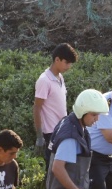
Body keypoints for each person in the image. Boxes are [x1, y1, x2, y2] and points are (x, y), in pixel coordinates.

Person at [33, 43, 79, 173]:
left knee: (62, 166)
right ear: (57, 59)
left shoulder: (60, 77)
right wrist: (40, 136)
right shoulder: (44, 80)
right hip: (50, 132)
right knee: (52, 167)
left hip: (61, 129)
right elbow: (37, 108)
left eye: (70, 63)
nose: (69, 66)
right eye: (67, 63)